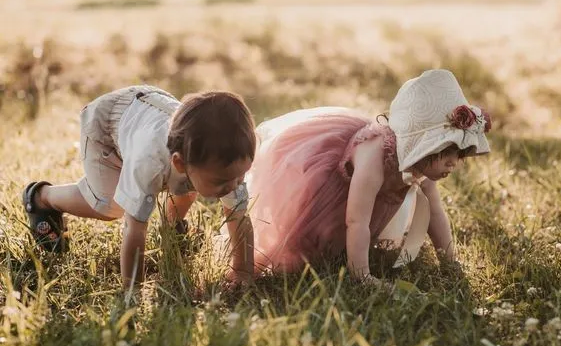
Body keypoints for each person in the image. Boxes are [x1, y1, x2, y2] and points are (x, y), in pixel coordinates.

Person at [246, 69, 491, 282]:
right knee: (306, 251)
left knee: (348, 243)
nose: (453, 163)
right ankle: (342, 260)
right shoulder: (374, 158)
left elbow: (434, 213)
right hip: (327, 187)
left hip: (363, 200)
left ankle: (349, 253)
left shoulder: (420, 162)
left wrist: (449, 261)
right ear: (421, 146)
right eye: (446, 153)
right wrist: (362, 276)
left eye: (459, 155)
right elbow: (357, 221)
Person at [22, 85, 256, 289]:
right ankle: (43, 197)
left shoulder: (225, 164)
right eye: (222, 182)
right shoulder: (149, 162)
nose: (234, 185)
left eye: (240, 175)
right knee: (110, 206)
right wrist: (132, 291)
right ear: (179, 163)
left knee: (188, 187)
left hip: (146, 109)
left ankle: (172, 230)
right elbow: (135, 229)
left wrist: (242, 272)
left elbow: (239, 217)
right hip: (106, 126)